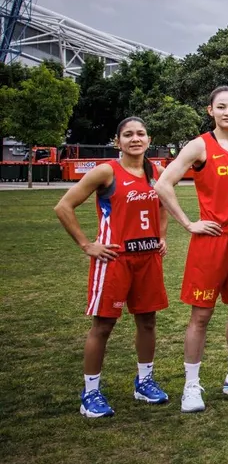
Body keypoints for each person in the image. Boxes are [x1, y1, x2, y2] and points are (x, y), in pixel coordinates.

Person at [155, 86, 228, 413]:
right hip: (211, 240)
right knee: (201, 315)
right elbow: (163, 183)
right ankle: (191, 385)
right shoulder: (199, 146)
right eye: (221, 107)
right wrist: (189, 223)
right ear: (210, 111)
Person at [54, 117, 170, 418]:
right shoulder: (106, 171)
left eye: (141, 134)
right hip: (114, 260)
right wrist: (86, 244)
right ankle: (90, 392)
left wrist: (161, 236)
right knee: (103, 325)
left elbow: (162, 206)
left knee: (147, 322)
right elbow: (63, 206)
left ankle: (144, 381)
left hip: (147, 259)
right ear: (117, 141)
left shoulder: (155, 171)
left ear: (148, 139)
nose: (135, 139)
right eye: (128, 134)